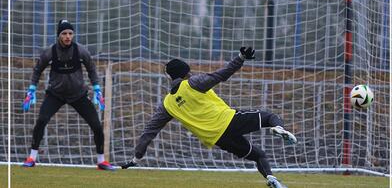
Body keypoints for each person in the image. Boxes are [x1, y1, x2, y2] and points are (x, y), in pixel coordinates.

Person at [121, 47, 297, 188]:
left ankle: (272, 179)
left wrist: (136, 158)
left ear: (169, 77)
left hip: (217, 138)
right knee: (269, 117)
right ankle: (279, 128)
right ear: (186, 72)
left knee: (258, 155)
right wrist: (240, 59)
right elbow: (221, 74)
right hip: (227, 121)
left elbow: (149, 132)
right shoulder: (192, 83)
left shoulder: (166, 104)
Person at [21, 19, 115, 171]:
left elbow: (92, 69)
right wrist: (31, 89)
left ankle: (101, 161)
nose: (67, 36)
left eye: (70, 33)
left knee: (97, 125)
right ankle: (31, 157)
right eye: (64, 33)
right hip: (55, 94)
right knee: (42, 120)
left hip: (78, 95)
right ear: (59, 35)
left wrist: (97, 89)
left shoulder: (81, 51)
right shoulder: (50, 52)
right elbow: (37, 69)